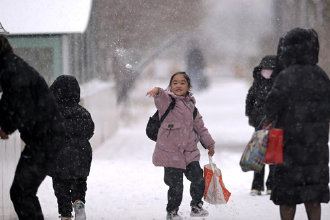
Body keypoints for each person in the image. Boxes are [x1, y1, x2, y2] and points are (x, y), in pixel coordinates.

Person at [265, 27, 330, 220]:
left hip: (288, 146)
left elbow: (271, 108)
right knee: (313, 197)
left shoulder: (284, 77)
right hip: (315, 148)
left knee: (288, 197)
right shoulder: (320, 75)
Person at [0, 35, 65, 219]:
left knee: (21, 192)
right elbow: (9, 100)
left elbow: (20, 104)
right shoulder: (12, 66)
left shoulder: (11, 70)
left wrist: (6, 127)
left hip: (45, 138)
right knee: (23, 192)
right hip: (45, 136)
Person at [146, 72, 215, 220]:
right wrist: (157, 90)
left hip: (190, 152)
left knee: (198, 179)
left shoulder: (192, 107)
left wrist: (209, 144)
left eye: (182, 82)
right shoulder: (167, 103)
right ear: (170, 86)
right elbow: (161, 97)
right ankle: (172, 212)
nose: (178, 85)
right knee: (176, 186)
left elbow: (201, 128)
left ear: (188, 86)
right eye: (175, 83)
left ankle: (196, 206)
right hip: (170, 153)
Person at [48, 75, 95, 220]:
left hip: (58, 155)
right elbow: (90, 131)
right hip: (80, 153)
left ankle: (65, 214)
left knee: (60, 185)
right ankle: (79, 201)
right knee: (79, 182)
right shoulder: (83, 113)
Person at [245, 55, 277, 196]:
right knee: (258, 154)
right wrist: (250, 116)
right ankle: (257, 186)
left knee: (273, 155)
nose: (267, 72)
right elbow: (250, 99)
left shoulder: (279, 84)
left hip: (275, 124)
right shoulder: (257, 83)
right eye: (265, 69)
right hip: (259, 124)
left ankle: (272, 185)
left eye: (270, 69)